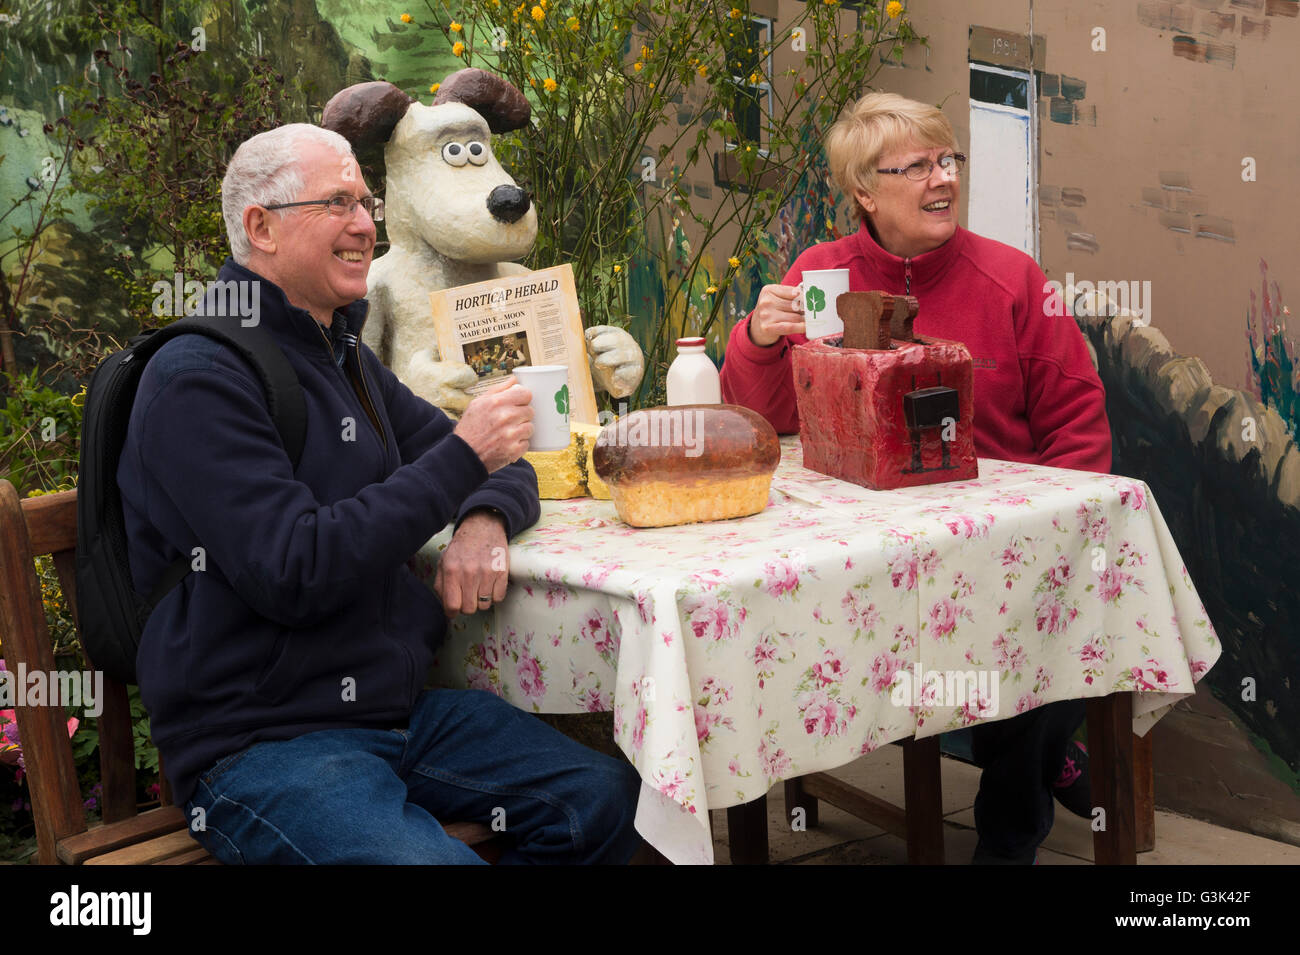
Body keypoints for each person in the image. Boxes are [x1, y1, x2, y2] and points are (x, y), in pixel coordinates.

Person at [117, 123, 643, 864]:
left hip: (394, 712)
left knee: (604, 798)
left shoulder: (344, 356)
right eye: (337, 203)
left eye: (367, 203)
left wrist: (483, 519)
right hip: (262, 743)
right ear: (260, 228)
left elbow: (503, 463)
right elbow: (295, 568)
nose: (365, 224)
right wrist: (464, 461)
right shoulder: (198, 378)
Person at [720, 92, 1110, 864]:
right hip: (867, 561)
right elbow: (763, 422)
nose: (944, 180)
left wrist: (1057, 540)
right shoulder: (821, 276)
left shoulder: (1014, 280)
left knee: (1048, 641)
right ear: (865, 190)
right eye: (918, 166)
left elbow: (1079, 425)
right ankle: (1038, 750)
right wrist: (759, 337)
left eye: (948, 160)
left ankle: (1009, 833)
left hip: (1002, 556)